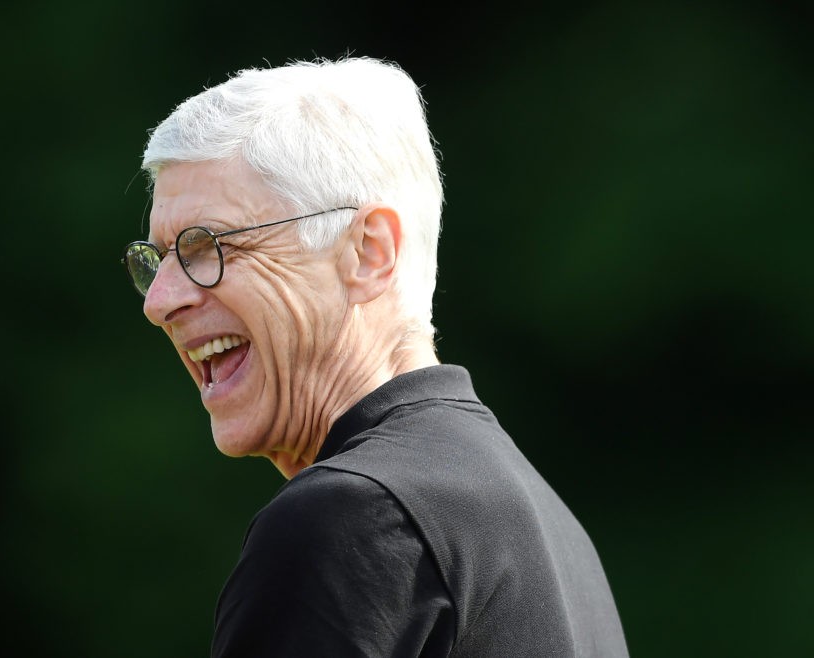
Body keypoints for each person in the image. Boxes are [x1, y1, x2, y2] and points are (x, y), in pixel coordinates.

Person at [123, 56, 628, 657]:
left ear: (368, 253)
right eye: (155, 261)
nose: (159, 301)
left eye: (206, 246)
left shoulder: (352, 521)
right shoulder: (548, 530)